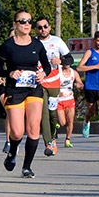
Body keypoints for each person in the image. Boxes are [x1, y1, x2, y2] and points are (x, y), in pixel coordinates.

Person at [0, 9, 53, 178]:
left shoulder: (37, 44)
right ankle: (12, 151)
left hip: (34, 88)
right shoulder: (8, 45)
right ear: (15, 24)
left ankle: (26, 167)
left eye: (29, 21)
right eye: (23, 21)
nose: (27, 24)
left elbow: (47, 66)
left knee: (34, 128)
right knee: (17, 132)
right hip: (14, 90)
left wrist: (43, 74)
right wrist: (10, 73)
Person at [34, 18, 69, 156]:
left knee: (53, 114)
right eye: (40, 27)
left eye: (45, 26)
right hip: (39, 82)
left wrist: (60, 61)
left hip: (54, 83)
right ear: (36, 30)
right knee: (44, 115)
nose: (43, 29)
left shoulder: (57, 41)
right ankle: (48, 144)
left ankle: (53, 137)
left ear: (49, 28)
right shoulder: (33, 42)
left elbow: (70, 59)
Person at [75, 30, 99, 148]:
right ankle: (87, 121)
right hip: (91, 86)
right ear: (94, 41)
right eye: (98, 41)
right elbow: (79, 68)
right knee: (91, 111)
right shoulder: (89, 52)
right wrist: (95, 66)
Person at [56, 55, 78, 148]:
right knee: (63, 122)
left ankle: (68, 139)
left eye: (69, 64)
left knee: (70, 120)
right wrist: (58, 92)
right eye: (65, 64)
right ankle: (56, 121)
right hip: (59, 100)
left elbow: (80, 83)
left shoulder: (73, 72)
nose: (67, 65)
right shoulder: (58, 72)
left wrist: (78, 85)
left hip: (69, 99)